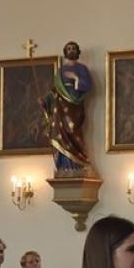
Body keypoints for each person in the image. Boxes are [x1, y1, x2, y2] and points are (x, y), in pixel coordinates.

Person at [46, 41, 94, 173]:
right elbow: (54, 90)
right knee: (60, 132)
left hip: (75, 105)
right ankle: (64, 165)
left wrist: (76, 78)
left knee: (73, 129)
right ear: (65, 52)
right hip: (60, 106)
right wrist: (46, 101)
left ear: (77, 52)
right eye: (69, 49)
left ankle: (78, 162)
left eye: (74, 48)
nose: (71, 50)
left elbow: (88, 85)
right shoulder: (61, 71)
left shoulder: (82, 69)